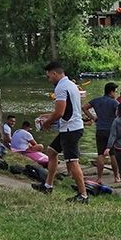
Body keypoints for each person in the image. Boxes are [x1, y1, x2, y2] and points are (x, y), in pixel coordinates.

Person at [32, 61, 88, 203]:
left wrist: (47, 123)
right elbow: (66, 110)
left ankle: (83, 195)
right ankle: (48, 186)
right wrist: (47, 116)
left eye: (49, 76)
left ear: (54, 73)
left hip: (70, 129)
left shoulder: (61, 87)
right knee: (51, 152)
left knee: (72, 162)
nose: (49, 79)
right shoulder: (71, 85)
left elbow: (59, 112)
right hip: (71, 126)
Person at [82, 82, 120, 184]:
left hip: (100, 130)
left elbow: (84, 107)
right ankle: (116, 177)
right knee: (113, 154)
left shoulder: (96, 100)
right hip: (111, 131)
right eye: (115, 91)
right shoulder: (114, 103)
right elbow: (119, 115)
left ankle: (99, 178)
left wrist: (93, 117)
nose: (116, 94)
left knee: (100, 154)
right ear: (111, 92)